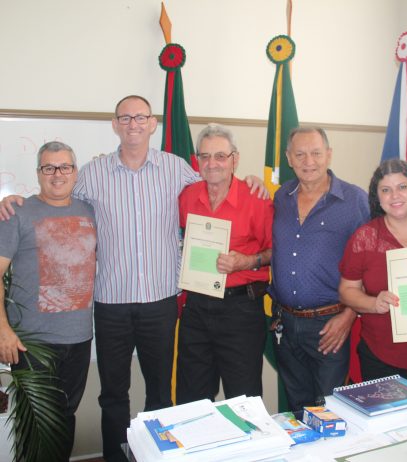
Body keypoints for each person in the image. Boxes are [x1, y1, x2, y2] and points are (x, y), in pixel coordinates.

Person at [0, 95, 266, 461]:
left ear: (153, 123)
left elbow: (216, 178)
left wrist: (251, 179)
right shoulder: (92, 173)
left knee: (160, 393)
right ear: (115, 125)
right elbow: (56, 193)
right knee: (113, 395)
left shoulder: (176, 169)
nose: (133, 124)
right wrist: (13, 201)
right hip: (111, 304)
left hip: (161, 302)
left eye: (141, 117)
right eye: (125, 118)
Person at [0, 141, 97, 461]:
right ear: (39, 173)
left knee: (64, 420)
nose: (57, 174)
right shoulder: (16, 212)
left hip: (79, 340)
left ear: (75, 172)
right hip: (33, 344)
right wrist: (3, 330)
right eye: (49, 167)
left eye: (65, 166)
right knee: (36, 426)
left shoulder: (89, 211)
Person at [269, 126, 369, 418]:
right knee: (298, 411)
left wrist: (349, 316)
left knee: (331, 413)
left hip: (330, 325)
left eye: (315, 153)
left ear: (329, 154)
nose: (308, 161)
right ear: (289, 158)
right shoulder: (281, 197)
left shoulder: (354, 200)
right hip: (286, 324)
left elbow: (371, 264)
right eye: (300, 154)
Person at [176, 124, 273, 404]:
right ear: (197, 161)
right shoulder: (187, 197)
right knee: (191, 400)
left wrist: (247, 261)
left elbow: (275, 251)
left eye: (220, 156)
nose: (212, 163)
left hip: (240, 310)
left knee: (243, 400)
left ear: (235, 159)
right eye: (205, 156)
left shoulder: (256, 199)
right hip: (196, 308)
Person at [338, 159, 407, 390]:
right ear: (377, 196)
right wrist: (373, 303)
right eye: (386, 190)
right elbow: (347, 291)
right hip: (380, 354)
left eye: (402, 187)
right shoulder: (364, 237)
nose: (395, 196)